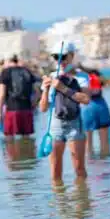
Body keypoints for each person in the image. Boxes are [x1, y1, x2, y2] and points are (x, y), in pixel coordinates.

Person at [39, 43, 90, 183]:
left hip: (75, 123)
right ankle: (59, 197)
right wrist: (45, 90)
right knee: (55, 172)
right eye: (56, 57)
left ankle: (82, 194)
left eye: (63, 56)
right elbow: (43, 108)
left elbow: (86, 99)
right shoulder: (51, 77)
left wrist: (62, 88)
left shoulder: (81, 77)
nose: (60, 60)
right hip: (55, 125)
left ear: (72, 56)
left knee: (79, 169)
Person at [0, 55, 37, 138]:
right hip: (27, 109)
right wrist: (33, 106)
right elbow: (36, 92)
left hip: (12, 110)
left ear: (7, 61)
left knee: (9, 139)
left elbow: (1, 95)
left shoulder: (5, 72)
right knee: (26, 139)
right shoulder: (27, 71)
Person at [78, 68, 110, 157]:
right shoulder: (98, 79)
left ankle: (90, 162)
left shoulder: (82, 79)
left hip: (86, 107)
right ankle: (105, 160)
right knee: (105, 143)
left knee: (88, 142)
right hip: (101, 106)